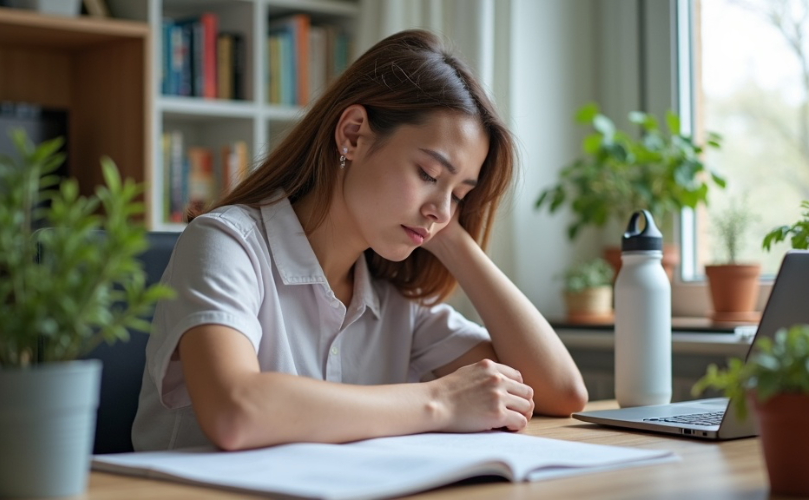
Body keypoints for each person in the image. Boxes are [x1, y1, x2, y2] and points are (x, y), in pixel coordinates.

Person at [132, 29, 588, 452]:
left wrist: (452, 241)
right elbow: (236, 410)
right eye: (429, 174)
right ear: (353, 135)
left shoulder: (395, 300)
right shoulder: (226, 243)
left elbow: (559, 392)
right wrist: (439, 402)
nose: (443, 210)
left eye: (461, 194)